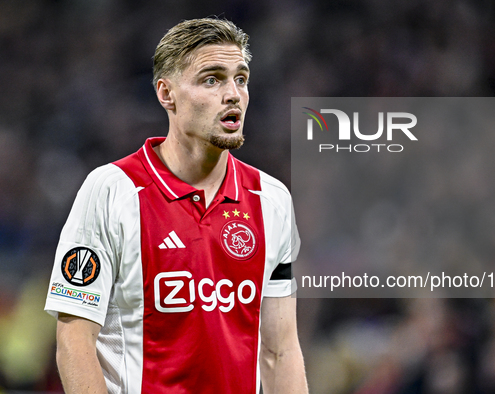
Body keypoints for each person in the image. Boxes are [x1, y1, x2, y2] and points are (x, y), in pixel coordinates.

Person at [44, 18, 308, 394]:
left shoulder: (272, 199)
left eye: (241, 78)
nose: (233, 94)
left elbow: (280, 351)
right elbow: (74, 340)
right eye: (212, 79)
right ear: (166, 94)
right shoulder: (111, 190)